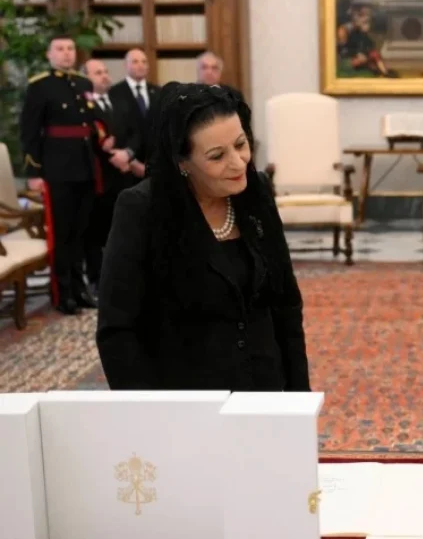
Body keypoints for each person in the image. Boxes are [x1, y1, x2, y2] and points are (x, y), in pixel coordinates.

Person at [96, 83, 310, 392]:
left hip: (265, 390)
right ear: (182, 163)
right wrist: (146, 416)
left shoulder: (256, 191)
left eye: (241, 144)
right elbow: (118, 330)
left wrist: (298, 399)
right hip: (186, 401)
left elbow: (286, 302)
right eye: (216, 156)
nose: (238, 163)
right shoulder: (142, 209)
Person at [19, 34, 98, 315]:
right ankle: (62, 293)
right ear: (49, 55)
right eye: (60, 49)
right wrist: (33, 171)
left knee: (80, 232)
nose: (66, 54)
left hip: (85, 167)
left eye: (70, 48)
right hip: (58, 169)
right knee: (62, 234)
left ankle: (80, 288)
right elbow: (29, 132)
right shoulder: (40, 86)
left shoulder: (83, 83)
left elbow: (92, 125)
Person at [81, 58, 143, 291]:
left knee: (124, 230)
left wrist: (127, 153)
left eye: (106, 71)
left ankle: (125, 279)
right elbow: (88, 143)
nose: (105, 76)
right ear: (86, 78)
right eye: (98, 73)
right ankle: (97, 281)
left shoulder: (119, 100)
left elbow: (135, 133)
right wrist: (112, 156)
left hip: (124, 178)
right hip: (99, 180)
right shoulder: (83, 107)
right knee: (96, 234)